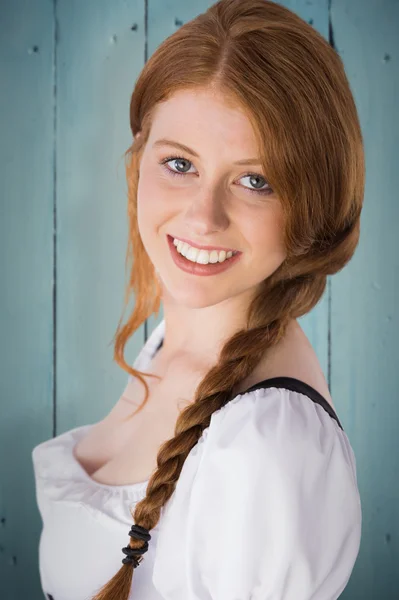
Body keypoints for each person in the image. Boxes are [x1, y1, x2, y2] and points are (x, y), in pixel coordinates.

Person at [32, 0, 364, 598]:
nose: (203, 218)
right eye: (180, 163)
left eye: (254, 181)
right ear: (141, 156)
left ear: (311, 207)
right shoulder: (175, 343)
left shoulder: (266, 447)